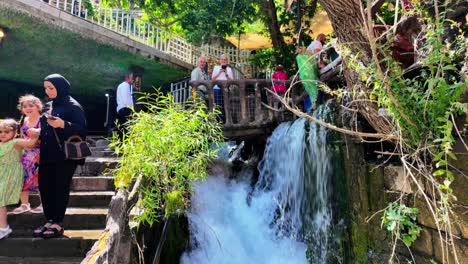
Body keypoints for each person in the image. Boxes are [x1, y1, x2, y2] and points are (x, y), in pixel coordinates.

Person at [33, 74, 87, 239]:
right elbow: (45, 128)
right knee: (45, 187)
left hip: (64, 156)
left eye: (51, 88)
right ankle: (49, 220)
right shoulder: (48, 106)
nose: (47, 91)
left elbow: (82, 129)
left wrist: (63, 124)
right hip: (47, 154)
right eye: (46, 88)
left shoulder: (73, 106)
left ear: (60, 87)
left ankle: (58, 222)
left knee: (60, 187)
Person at [0, 119, 40, 239]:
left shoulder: (16, 142)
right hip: (1, 174)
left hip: (11, 174)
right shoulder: (1, 144)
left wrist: (35, 132)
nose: (2, 134)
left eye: (6, 132)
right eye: (0, 132)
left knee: (1, 200)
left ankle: (3, 228)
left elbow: (31, 143)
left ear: (14, 132)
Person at [11, 95, 43, 215]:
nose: (28, 108)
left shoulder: (42, 120)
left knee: (40, 179)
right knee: (21, 178)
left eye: (31, 105)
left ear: (38, 107)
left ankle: (43, 204)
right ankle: (24, 204)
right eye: (25, 106)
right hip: (25, 154)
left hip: (39, 153)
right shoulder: (24, 120)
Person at [116, 73, 134, 140]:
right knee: (126, 130)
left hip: (122, 109)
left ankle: (121, 145)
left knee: (122, 129)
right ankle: (124, 145)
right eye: (132, 78)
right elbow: (126, 100)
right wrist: (132, 110)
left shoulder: (122, 86)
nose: (133, 80)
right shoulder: (125, 85)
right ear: (127, 78)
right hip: (125, 110)